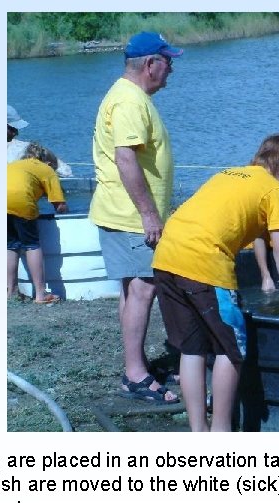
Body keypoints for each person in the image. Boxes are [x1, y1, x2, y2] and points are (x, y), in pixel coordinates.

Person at [152, 132, 279, 431]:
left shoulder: (227, 174)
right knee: (231, 349)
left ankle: (199, 432)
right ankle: (221, 432)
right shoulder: (273, 189)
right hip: (204, 261)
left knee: (192, 348)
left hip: (166, 255)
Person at [89, 31, 183, 405]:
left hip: (123, 212)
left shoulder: (129, 96)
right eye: (168, 61)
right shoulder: (129, 101)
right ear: (150, 64)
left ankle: (136, 366)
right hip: (130, 216)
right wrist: (149, 215)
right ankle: (136, 376)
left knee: (133, 291)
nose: (172, 69)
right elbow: (126, 159)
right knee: (144, 288)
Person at [7, 143, 68, 304]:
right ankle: (41, 295)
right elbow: (59, 206)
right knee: (32, 244)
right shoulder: (46, 170)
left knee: (10, 245)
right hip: (21, 202)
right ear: (49, 164)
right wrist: (64, 206)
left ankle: (11, 292)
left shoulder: (14, 164)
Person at [7, 105, 73, 177]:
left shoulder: (27, 149)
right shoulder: (25, 149)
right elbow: (66, 173)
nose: (16, 133)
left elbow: (65, 172)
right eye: (12, 129)